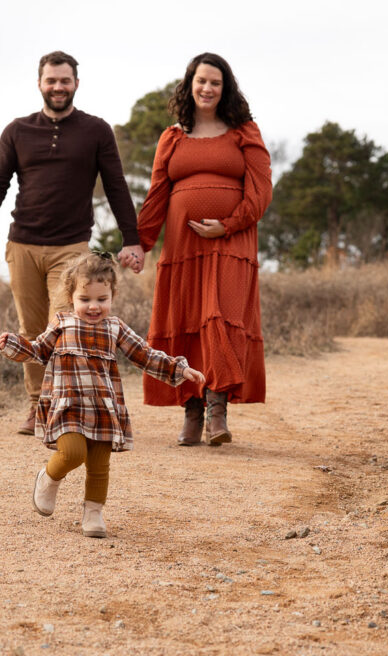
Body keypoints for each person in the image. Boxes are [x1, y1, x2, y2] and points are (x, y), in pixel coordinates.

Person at [0, 50, 145, 435]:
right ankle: (37, 406)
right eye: (51, 80)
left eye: (65, 80)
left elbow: (116, 186)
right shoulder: (17, 131)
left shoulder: (96, 131)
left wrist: (132, 240)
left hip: (71, 248)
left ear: (76, 84)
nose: (58, 87)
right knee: (32, 331)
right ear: (39, 84)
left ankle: (63, 405)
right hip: (23, 246)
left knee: (65, 328)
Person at [0, 252, 204, 538]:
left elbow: (145, 355)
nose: (94, 307)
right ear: (71, 297)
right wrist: (13, 345)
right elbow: (37, 351)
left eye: (101, 299)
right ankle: (49, 477)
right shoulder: (62, 324)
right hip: (68, 405)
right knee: (72, 453)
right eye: (85, 300)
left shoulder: (115, 327)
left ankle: (93, 512)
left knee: (98, 465)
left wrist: (179, 369)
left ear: (112, 295)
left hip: (103, 409)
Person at [135, 53, 272, 447]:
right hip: (183, 246)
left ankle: (216, 407)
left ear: (225, 88)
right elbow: (158, 194)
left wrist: (228, 225)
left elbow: (262, 191)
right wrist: (140, 244)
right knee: (189, 321)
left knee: (221, 316)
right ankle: (192, 409)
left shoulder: (244, 131)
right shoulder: (172, 137)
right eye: (201, 81)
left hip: (232, 242)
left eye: (215, 82)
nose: (207, 88)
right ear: (189, 85)